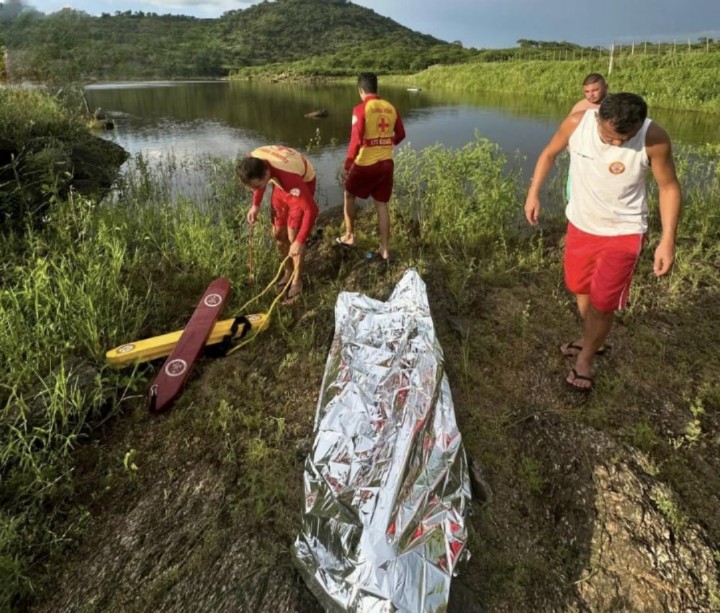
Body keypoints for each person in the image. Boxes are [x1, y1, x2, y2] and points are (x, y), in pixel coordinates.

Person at [524, 93, 682, 392]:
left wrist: (667, 240)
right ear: (598, 118)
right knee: (578, 286)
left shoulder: (653, 137)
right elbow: (548, 154)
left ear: (639, 125)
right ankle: (590, 337)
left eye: (626, 137)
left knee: (603, 302)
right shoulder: (577, 124)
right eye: (610, 137)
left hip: (625, 232)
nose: (618, 145)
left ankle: (585, 359)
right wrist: (534, 192)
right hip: (581, 225)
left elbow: (669, 187)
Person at [335, 72, 406, 263]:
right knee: (381, 205)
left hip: (365, 164)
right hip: (386, 165)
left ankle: (349, 236)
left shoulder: (360, 109)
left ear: (361, 90)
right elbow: (400, 134)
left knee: (349, 194)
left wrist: (348, 164)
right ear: (376, 88)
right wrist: (386, 142)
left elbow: (355, 140)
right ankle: (384, 250)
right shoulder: (391, 108)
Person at [237, 145, 319, 302]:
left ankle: (297, 280)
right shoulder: (252, 161)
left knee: (293, 236)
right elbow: (258, 183)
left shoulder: (289, 178)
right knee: (278, 234)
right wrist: (255, 205)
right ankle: (288, 271)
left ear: (267, 174)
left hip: (301, 184)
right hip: (279, 186)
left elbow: (312, 210)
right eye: (252, 187)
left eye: (257, 186)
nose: (255, 189)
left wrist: (300, 240)